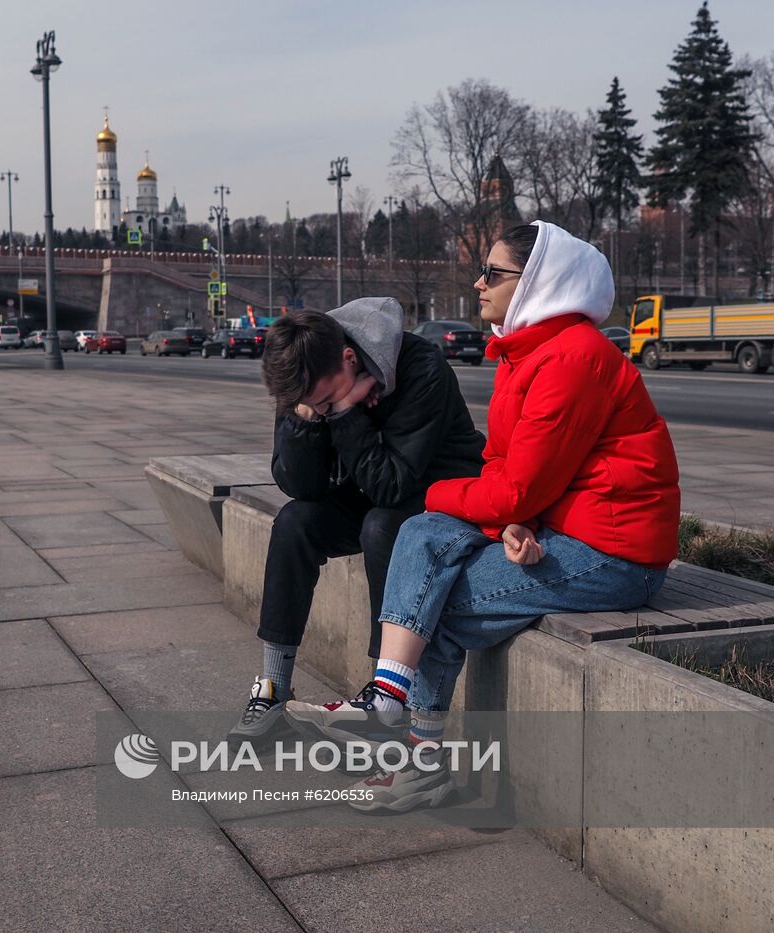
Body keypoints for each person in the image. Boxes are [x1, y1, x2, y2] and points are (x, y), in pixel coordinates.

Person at [284, 221, 681, 813]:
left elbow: (514, 486)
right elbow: (505, 467)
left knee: (433, 584)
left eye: (494, 273)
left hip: (616, 556)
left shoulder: (574, 359)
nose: (478, 281)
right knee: (420, 532)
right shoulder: (527, 353)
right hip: (563, 528)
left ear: (538, 281)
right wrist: (511, 522)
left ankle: (412, 748)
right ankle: (390, 701)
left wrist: (463, 498)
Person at [230, 299, 485, 744]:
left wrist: (346, 414)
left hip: (439, 499)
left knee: (383, 527)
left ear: (351, 357)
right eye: (316, 406)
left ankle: (384, 699)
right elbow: (300, 485)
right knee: (295, 522)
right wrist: (306, 418)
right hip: (372, 493)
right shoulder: (306, 377)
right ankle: (273, 687)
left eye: (327, 401)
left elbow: (393, 487)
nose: (324, 409)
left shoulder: (422, 367)